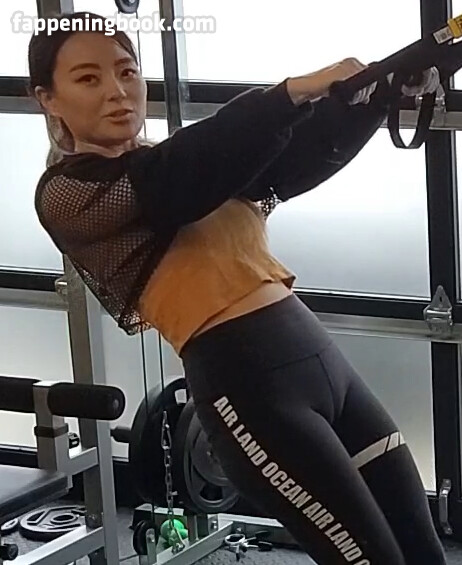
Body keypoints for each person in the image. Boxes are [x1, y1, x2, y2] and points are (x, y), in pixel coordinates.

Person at [28, 11, 446, 565]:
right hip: (251, 388)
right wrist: (291, 92)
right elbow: (176, 180)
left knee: (424, 551)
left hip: (319, 358)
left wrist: (379, 94)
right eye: (88, 78)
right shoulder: (71, 194)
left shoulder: (189, 165)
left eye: (127, 71)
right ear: (47, 99)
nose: (117, 91)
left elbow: (292, 160)